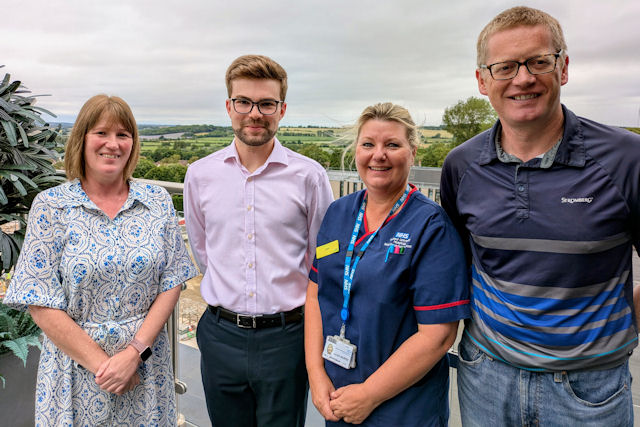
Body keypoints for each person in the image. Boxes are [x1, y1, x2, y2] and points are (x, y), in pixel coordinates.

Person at [440, 6, 640, 426]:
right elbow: (459, 260)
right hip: (486, 377)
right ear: (482, 81)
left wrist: (618, 319)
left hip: (589, 390)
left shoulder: (625, 159)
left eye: (538, 62)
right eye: (505, 67)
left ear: (563, 68)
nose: (523, 78)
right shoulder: (461, 165)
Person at [3, 94, 197, 425]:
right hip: (74, 370)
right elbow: (40, 300)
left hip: (146, 366)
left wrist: (134, 354)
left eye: (123, 134)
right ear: (81, 139)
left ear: (133, 144)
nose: (113, 144)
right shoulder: (51, 206)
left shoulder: (157, 202)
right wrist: (106, 367)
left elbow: (172, 281)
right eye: (102, 133)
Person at [183, 54, 333, 427]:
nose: (255, 113)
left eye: (266, 103)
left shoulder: (309, 177)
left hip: (288, 339)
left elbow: (323, 255)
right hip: (220, 335)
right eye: (244, 102)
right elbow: (204, 251)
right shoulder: (199, 176)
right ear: (229, 107)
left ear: (281, 109)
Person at [306, 102, 470, 426]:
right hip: (337, 396)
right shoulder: (339, 212)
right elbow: (315, 294)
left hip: (402, 408)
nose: (378, 155)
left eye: (392, 145)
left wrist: (368, 395)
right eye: (368, 144)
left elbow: (437, 336)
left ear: (413, 152)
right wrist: (315, 373)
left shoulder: (431, 227)